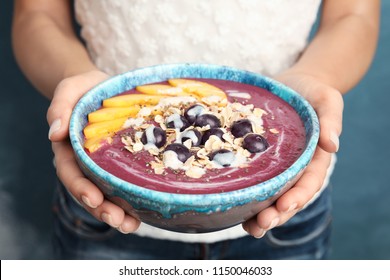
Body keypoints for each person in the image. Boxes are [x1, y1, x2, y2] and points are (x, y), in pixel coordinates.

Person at [12, 0, 379, 259]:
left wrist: (315, 78)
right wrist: (76, 83)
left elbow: (353, 14)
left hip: (287, 209)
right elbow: (38, 13)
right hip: (103, 201)